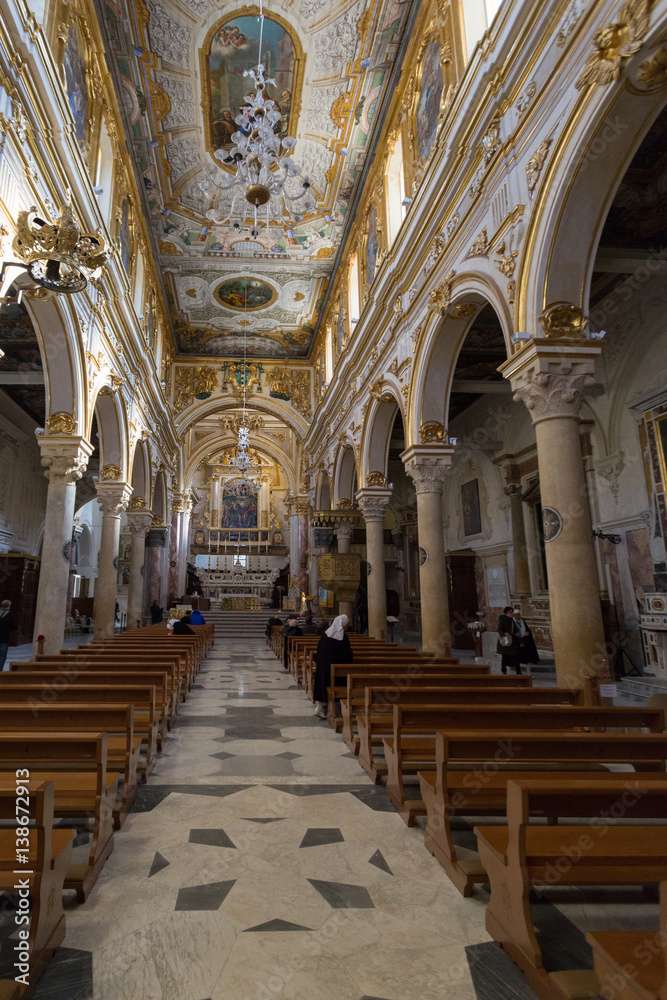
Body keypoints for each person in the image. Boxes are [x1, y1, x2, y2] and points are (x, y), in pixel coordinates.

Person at [312, 614, 353, 719]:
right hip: (338, 668)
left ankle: (320, 707)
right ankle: (337, 709)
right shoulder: (343, 637)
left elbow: (319, 652)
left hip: (325, 666)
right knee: (340, 683)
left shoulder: (325, 636)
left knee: (322, 683)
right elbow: (348, 654)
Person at [496, 606, 522, 675]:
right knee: (504, 656)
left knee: (516, 656)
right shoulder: (502, 619)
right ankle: (504, 670)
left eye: (512, 612)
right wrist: (503, 636)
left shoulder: (512, 621)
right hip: (505, 641)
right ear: (506, 613)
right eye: (510, 612)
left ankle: (518, 672)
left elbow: (516, 631)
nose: (512, 614)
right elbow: (500, 629)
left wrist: (520, 641)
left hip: (512, 641)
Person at [514, 609, 539, 673]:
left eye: (519, 614)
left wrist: (527, 633)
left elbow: (527, 630)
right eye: (516, 615)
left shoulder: (522, 621)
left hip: (525, 641)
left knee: (528, 658)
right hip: (517, 642)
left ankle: (528, 673)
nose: (518, 616)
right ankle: (518, 672)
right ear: (514, 615)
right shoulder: (513, 622)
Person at [0, 600, 17, 671]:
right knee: (2, 655)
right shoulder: (10, 615)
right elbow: (14, 627)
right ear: (8, 606)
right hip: (4, 637)